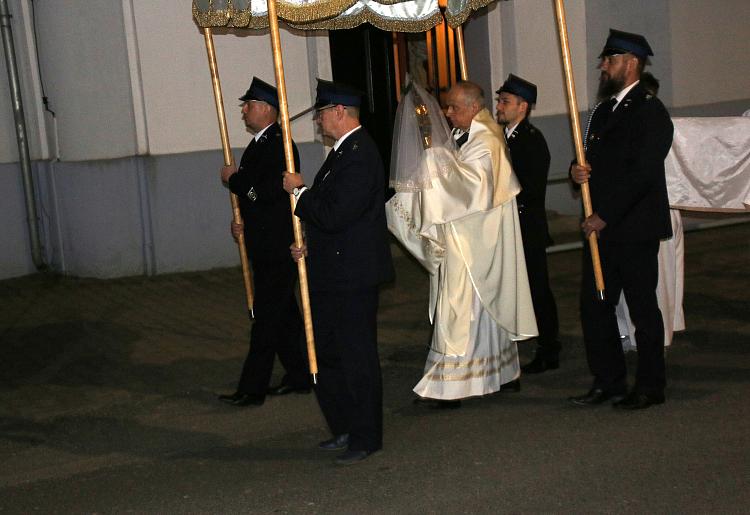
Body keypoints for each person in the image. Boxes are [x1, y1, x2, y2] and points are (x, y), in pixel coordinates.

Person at [386, 80, 537, 408]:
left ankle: (449, 388)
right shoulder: (463, 134)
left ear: (473, 107)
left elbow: (472, 186)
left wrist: (435, 161)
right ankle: (501, 372)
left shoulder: (488, 140)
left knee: (460, 309)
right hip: (467, 234)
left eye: (454, 107)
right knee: (482, 309)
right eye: (447, 106)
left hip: (477, 239)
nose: (448, 112)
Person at [282, 79, 394, 465]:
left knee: (356, 358)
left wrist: (299, 192)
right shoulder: (342, 151)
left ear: (340, 112)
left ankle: (366, 436)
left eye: (322, 113)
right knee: (322, 350)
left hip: (353, 276)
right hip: (332, 269)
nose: (318, 120)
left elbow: (336, 214)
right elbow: (333, 214)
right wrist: (309, 245)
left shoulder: (360, 154)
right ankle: (344, 425)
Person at [569, 29, 674, 410]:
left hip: (633, 228)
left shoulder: (650, 111)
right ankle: (608, 381)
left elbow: (642, 174)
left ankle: (649, 385)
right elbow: (591, 159)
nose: (603, 66)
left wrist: (605, 216)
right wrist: (577, 172)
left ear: (631, 63)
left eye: (609, 60)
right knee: (595, 307)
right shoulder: (602, 111)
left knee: (643, 309)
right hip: (599, 229)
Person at [218, 77, 310, 407]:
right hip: (263, 244)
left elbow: (266, 194)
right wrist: (241, 221)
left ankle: (252, 387)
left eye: (249, 105)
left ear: (267, 109)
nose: (243, 111)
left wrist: (234, 181)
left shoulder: (280, 146)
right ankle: (301, 374)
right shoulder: (259, 144)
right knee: (283, 316)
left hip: (278, 247)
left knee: (266, 319)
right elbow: (255, 201)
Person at [496, 74, 561, 374]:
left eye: (505, 101)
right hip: (507, 226)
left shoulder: (531, 140)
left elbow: (531, 189)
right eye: (499, 100)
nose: (499, 106)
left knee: (537, 289)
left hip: (526, 227)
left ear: (522, 107)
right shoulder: (501, 137)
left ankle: (549, 348)